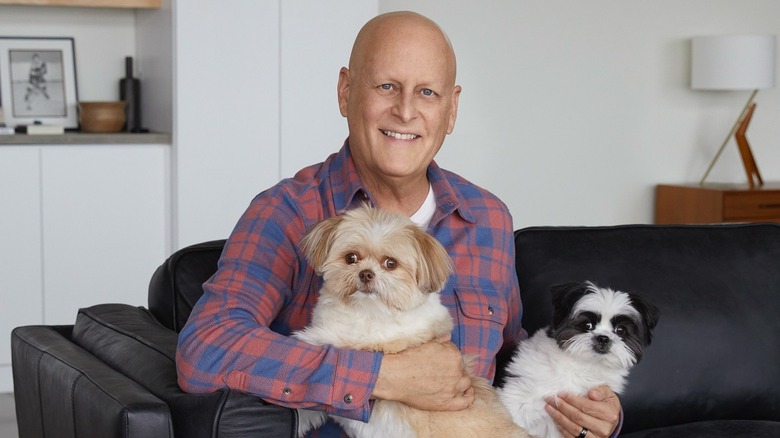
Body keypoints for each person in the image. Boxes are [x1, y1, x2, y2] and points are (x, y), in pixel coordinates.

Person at [176, 11, 622, 438]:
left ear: (451, 109)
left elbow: (509, 359)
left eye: (427, 92)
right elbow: (205, 350)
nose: (406, 111)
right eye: (387, 86)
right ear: (345, 91)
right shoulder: (287, 212)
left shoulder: (487, 217)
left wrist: (588, 412)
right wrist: (383, 376)